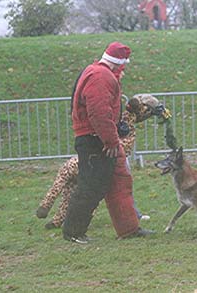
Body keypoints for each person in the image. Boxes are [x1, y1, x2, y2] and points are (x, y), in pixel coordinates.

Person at [35, 92, 171, 229]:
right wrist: (153, 111)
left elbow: (132, 117)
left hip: (86, 156)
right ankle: (78, 223)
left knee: (68, 188)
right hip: (105, 158)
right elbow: (130, 122)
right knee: (97, 192)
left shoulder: (117, 112)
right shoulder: (117, 114)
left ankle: (51, 212)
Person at [62, 42, 154, 243]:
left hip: (102, 137)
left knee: (120, 182)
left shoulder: (95, 72)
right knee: (91, 185)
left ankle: (129, 228)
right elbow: (98, 113)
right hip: (97, 140)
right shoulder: (101, 77)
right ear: (119, 64)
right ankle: (73, 232)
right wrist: (111, 141)